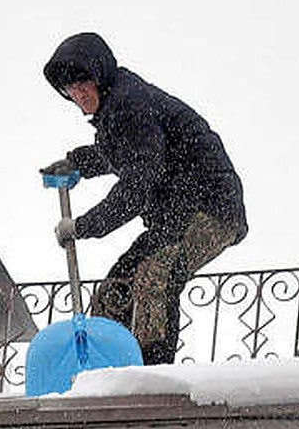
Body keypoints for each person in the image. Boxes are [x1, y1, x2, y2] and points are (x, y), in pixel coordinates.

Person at [41, 32, 248, 364]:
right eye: (70, 89)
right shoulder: (117, 106)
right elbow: (124, 151)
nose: (79, 94)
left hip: (209, 209)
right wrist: (77, 162)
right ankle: (105, 369)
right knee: (116, 288)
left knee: (155, 275)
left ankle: (153, 373)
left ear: (99, 75)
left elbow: (139, 182)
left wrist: (83, 226)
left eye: (83, 83)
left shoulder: (129, 103)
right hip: (176, 214)